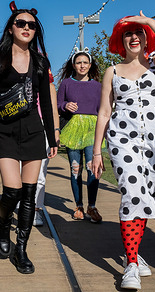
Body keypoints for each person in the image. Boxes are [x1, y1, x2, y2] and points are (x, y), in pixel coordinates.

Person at [92, 11, 155, 290]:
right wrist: (97, 152)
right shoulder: (113, 71)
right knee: (132, 194)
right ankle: (131, 264)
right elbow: (105, 112)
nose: (133, 37)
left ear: (146, 38)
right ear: (121, 40)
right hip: (123, 141)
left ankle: (135, 254)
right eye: (128, 33)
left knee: (149, 196)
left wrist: (148, 22)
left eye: (138, 33)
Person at [0, 1, 57, 274]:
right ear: (11, 28)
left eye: (31, 25)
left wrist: (52, 139)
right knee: (12, 190)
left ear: (35, 31)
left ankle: (21, 249)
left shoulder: (41, 62)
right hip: (5, 133)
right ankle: (2, 223)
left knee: (30, 195)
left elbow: (45, 101)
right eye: (21, 24)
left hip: (33, 132)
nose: (26, 28)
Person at [57, 48, 103, 223]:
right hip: (73, 129)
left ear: (90, 65)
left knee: (93, 169)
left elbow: (103, 110)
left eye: (85, 62)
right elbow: (58, 103)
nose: (82, 65)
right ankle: (79, 207)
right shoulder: (66, 84)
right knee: (75, 169)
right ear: (73, 65)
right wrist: (65, 106)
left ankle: (92, 207)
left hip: (93, 130)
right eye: (78, 62)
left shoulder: (98, 86)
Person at [33, 81, 61, 227]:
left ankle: (37, 208)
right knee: (19, 169)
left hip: (43, 126)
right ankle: (22, 206)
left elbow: (53, 110)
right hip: (21, 126)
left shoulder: (48, 85)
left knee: (41, 171)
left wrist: (55, 132)